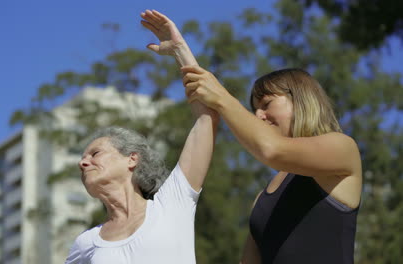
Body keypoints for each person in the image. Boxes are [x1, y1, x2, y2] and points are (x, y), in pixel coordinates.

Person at [64, 10, 218, 264]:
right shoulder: (85, 244)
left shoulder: (172, 204)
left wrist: (180, 51)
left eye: (95, 153)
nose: (83, 163)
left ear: (132, 159)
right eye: (82, 159)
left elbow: (206, 120)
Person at [181, 65, 362, 261]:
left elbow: (271, 150)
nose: (258, 116)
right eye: (255, 109)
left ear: (300, 100)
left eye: (266, 104)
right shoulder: (261, 200)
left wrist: (221, 98)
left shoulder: (343, 148)